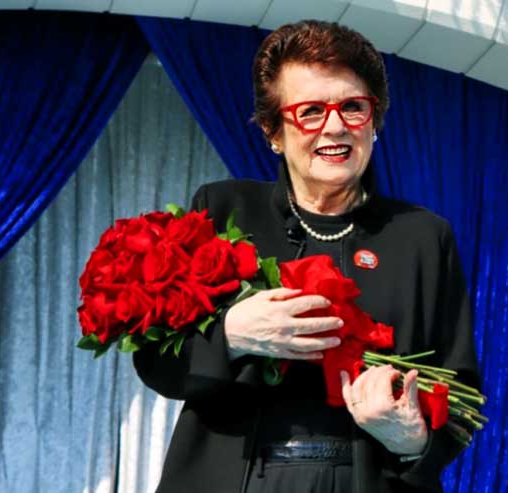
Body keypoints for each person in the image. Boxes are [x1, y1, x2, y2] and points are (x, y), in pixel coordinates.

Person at [133, 20, 479, 493]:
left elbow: (462, 398)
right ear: (273, 131)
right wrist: (230, 336)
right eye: (310, 111)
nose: (335, 126)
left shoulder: (423, 236)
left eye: (353, 107)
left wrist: (410, 439)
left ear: (374, 121)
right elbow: (157, 362)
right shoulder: (222, 210)